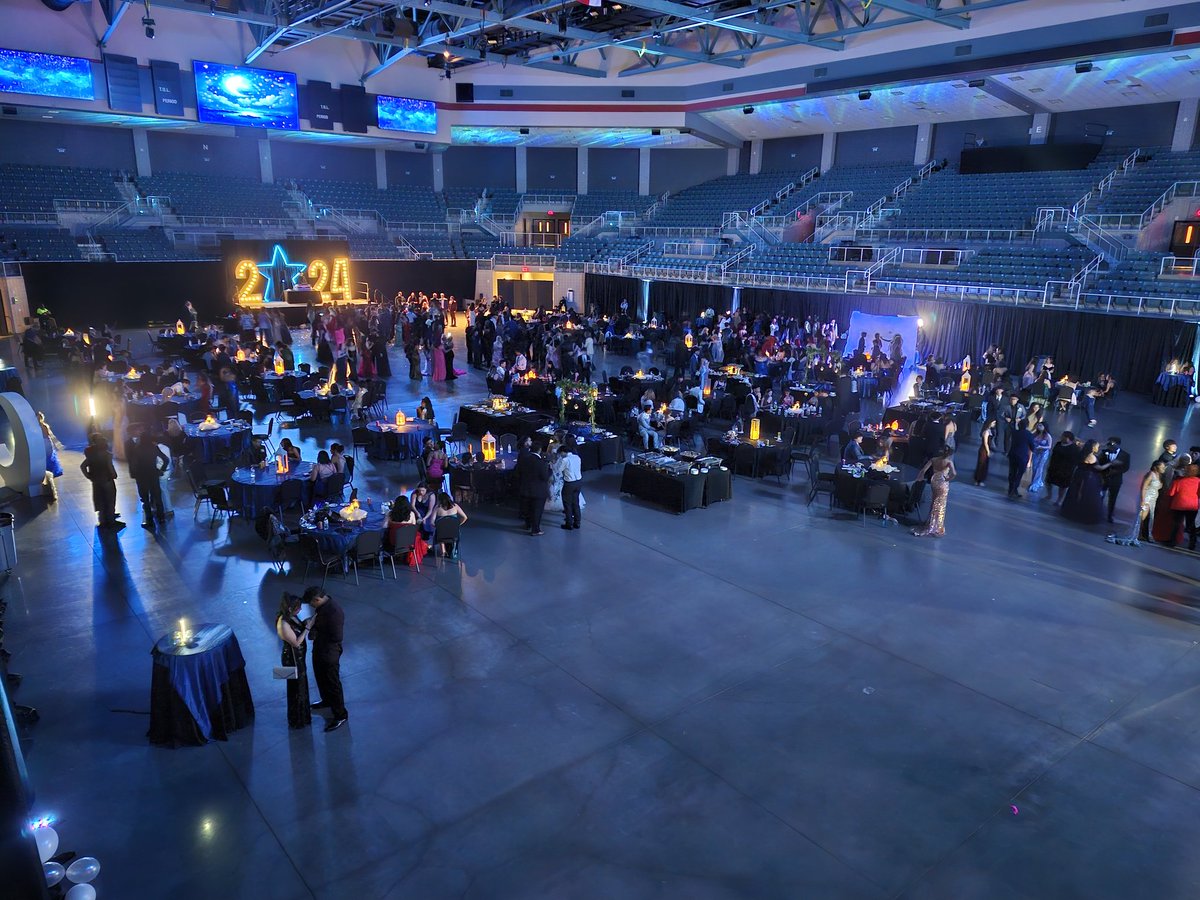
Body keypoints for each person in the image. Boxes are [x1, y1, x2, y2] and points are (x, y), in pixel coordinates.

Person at [303, 587, 347, 732]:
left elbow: (336, 637)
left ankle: (340, 715)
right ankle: (326, 700)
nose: (312, 607)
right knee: (320, 676)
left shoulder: (333, 612)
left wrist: (315, 630)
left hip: (329, 652)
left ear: (317, 599)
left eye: (311, 604)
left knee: (332, 682)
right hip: (321, 649)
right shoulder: (323, 606)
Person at [276, 593, 314, 729]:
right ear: (290, 609)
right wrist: (308, 628)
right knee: (296, 689)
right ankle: (297, 719)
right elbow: (297, 643)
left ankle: (303, 716)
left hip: (298, 658)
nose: (300, 610)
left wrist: (306, 623)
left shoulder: (291, 617)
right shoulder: (283, 624)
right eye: (298, 608)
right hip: (291, 660)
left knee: (301, 686)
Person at [1108, 461, 1166, 547]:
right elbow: (1144, 487)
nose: (1164, 469)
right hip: (1146, 498)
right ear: (1156, 467)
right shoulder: (1151, 475)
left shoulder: (1160, 476)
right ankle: (1135, 535)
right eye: (1162, 467)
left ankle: (1144, 535)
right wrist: (1143, 500)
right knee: (1141, 517)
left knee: (1151, 517)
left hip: (1153, 500)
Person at [128, 428, 169, 529]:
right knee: (157, 497)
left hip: (141, 476)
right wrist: (162, 470)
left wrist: (133, 474)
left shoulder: (137, 450)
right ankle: (161, 518)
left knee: (145, 499)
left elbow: (133, 464)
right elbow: (166, 459)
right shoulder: (154, 448)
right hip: (153, 474)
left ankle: (149, 520)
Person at [81, 433, 123, 531]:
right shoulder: (107, 454)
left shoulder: (90, 453)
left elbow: (83, 466)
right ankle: (111, 522)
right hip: (107, 480)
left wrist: (88, 476)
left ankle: (103, 521)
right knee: (110, 500)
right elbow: (110, 466)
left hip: (96, 480)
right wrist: (114, 475)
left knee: (100, 500)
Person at [1061, 439, 1105, 524]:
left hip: (1078, 474)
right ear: (1093, 447)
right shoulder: (1091, 457)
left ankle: (1069, 509)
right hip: (1087, 477)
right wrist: (1110, 464)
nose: (1098, 448)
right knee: (1084, 494)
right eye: (1097, 447)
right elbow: (1098, 468)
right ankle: (1081, 513)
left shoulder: (1081, 453)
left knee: (1075, 491)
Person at [912, 451, 956, 537]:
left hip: (934, 480)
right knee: (940, 504)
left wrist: (919, 478)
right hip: (942, 482)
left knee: (934, 501)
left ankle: (930, 522)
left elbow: (924, 470)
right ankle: (936, 526)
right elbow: (954, 473)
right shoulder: (948, 462)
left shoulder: (934, 460)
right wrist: (948, 479)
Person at [517, 440, 551, 536]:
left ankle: (527, 525)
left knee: (527, 509)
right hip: (538, 491)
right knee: (537, 511)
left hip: (525, 489)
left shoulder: (524, 460)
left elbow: (519, 472)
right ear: (540, 450)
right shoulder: (542, 463)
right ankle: (535, 529)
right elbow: (545, 477)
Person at [1167, 464, 1200, 550]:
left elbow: (1171, 493)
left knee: (1176, 524)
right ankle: (1192, 544)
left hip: (1179, 505)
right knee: (1191, 524)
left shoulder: (1179, 481)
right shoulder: (1199, 481)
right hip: (1192, 506)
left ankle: (1172, 542)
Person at [1099, 437, 1131, 524]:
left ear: (1117, 444)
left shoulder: (1125, 455)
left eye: (1112, 444)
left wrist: (1115, 472)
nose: (1110, 445)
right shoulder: (1104, 452)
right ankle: (1097, 512)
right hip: (1104, 478)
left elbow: (1126, 468)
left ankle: (1110, 515)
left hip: (1116, 480)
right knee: (1100, 495)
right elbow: (1100, 463)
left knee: (1112, 498)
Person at [426, 491, 468, 557]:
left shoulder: (437, 508)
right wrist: (458, 524)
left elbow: (432, 522)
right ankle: (454, 548)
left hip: (442, 532)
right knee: (454, 532)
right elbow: (465, 517)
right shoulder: (455, 506)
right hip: (454, 531)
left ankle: (443, 551)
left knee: (439, 531)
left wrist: (438, 527)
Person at [1047, 431, 1080, 505]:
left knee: (1062, 486)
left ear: (1067, 438)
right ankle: (1049, 495)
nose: (1061, 437)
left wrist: (1070, 470)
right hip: (1054, 467)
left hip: (1065, 469)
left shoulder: (1074, 448)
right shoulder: (1058, 444)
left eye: (1063, 436)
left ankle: (1059, 500)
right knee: (1048, 481)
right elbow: (1053, 454)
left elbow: (1075, 460)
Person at [37, 410, 63, 502]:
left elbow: (50, 436)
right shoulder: (39, 426)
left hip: (46, 443)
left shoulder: (43, 426)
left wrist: (57, 443)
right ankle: (48, 473)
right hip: (43, 443)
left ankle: (49, 473)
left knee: (49, 458)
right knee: (47, 458)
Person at [1006, 416, 1035, 498]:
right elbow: (1032, 447)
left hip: (1013, 454)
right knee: (1019, 474)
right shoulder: (1029, 434)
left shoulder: (1015, 433)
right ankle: (1014, 490)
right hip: (1022, 457)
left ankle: (1010, 489)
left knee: (1012, 472)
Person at [556, 444, 583, 530]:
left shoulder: (565, 460)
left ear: (563, 452)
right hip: (578, 482)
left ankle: (569, 523)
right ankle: (577, 522)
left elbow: (558, 470)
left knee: (567, 504)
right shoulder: (577, 457)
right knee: (576, 502)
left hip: (569, 483)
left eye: (560, 454)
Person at [974, 420, 996, 486]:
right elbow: (985, 443)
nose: (994, 424)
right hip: (984, 450)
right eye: (993, 423)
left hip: (985, 449)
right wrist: (988, 451)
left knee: (983, 465)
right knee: (982, 465)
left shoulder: (989, 431)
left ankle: (980, 479)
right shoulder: (986, 432)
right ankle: (979, 480)